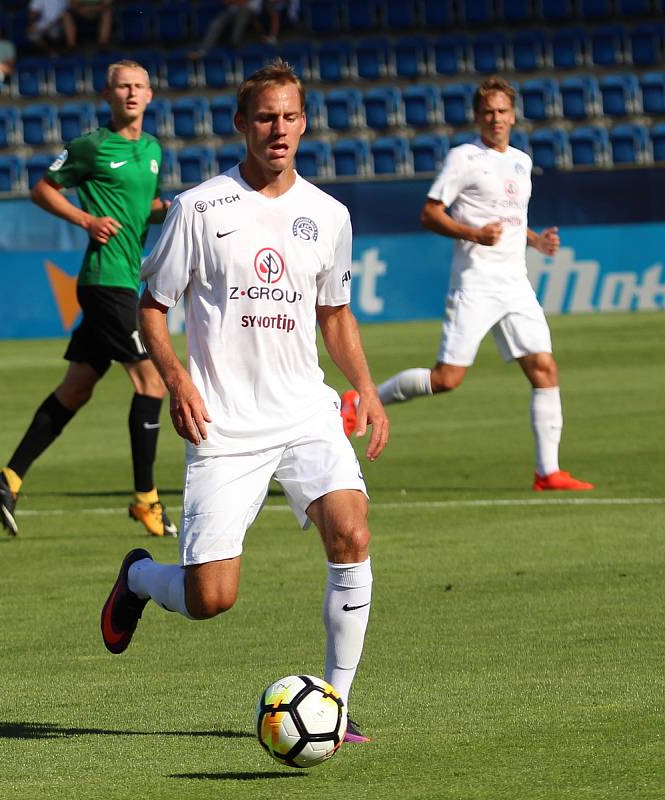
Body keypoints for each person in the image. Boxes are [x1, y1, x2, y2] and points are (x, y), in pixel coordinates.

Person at [100, 61, 389, 744]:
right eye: (265, 117)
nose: (278, 130)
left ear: (305, 122)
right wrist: (176, 379)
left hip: (303, 411)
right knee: (211, 599)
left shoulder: (329, 214)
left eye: (289, 116)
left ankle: (335, 706)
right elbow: (152, 307)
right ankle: (140, 577)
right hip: (223, 422)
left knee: (351, 534)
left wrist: (367, 389)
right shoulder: (200, 208)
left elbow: (336, 314)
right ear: (240, 124)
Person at [341, 76, 593, 493]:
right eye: (487, 112)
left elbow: (511, 217)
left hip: (515, 284)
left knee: (545, 369)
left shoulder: (521, 161)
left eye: (502, 111)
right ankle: (362, 400)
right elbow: (429, 213)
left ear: (513, 116)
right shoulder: (464, 158)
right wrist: (474, 235)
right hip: (475, 282)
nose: (495, 118)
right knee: (447, 379)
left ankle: (547, 472)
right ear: (478, 117)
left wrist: (535, 241)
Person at [0, 60, 177, 538]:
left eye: (138, 86)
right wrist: (86, 221)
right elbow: (42, 190)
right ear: (107, 95)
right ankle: (146, 500)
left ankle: (7, 477)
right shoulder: (92, 146)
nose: (131, 94)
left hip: (125, 277)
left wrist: (169, 211)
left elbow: (140, 209)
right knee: (151, 382)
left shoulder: (152, 150)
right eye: (122, 87)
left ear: (150, 95)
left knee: (77, 388)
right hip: (103, 280)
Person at [188, 0, 262, 59]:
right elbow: (226, 2)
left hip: (251, 9)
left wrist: (234, 1)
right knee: (217, 22)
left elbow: (242, 2)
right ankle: (203, 50)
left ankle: (236, 45)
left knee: (241, 18)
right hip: (234, 9)